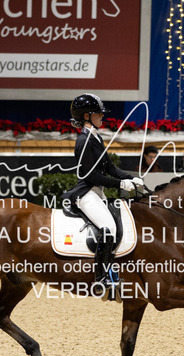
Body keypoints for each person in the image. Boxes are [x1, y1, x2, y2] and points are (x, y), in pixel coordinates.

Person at [62, 93, 143, 302]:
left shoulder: (95, 137)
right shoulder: (83, 141)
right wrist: (119, 184)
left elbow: (110, 167)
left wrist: (131, 178)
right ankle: (101, 278)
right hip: (86, 193)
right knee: (109, 228)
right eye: (98, 113)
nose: (102, 116)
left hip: (98, 193)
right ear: (87, 116)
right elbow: (90, 176)